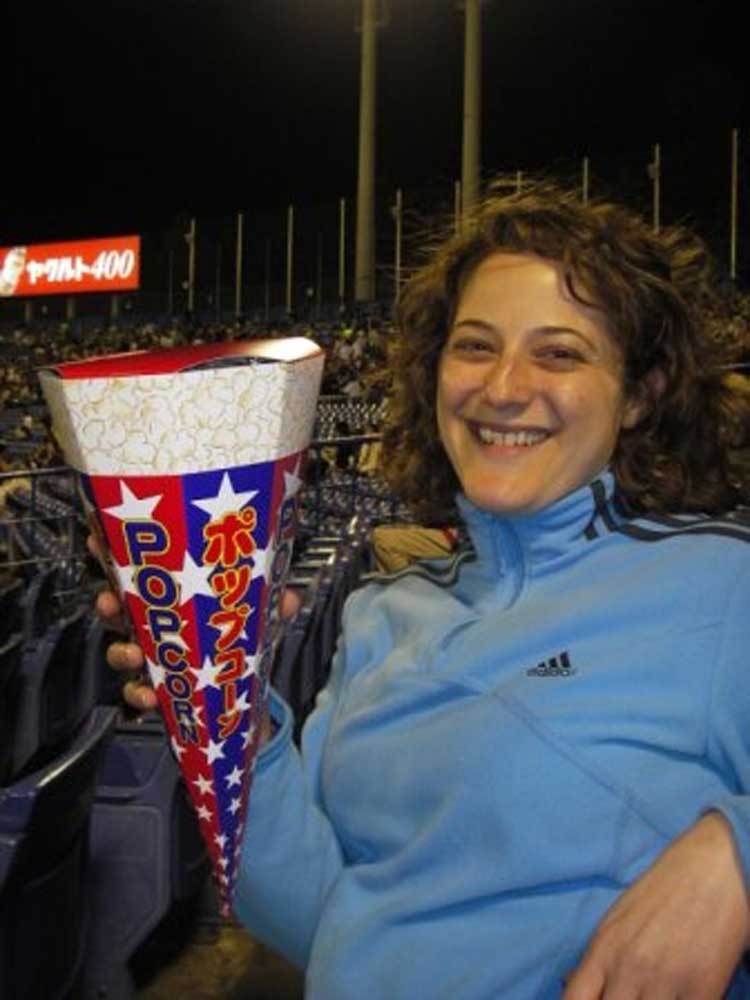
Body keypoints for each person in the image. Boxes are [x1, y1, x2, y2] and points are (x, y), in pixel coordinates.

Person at [98, 180, 750, 998]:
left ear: (639, 394)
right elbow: (332, 919)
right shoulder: (384, 610)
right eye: (475, 346)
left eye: (559, 352)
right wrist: (227, 714)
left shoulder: (722, 582)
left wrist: (732, 856)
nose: (504, 387)